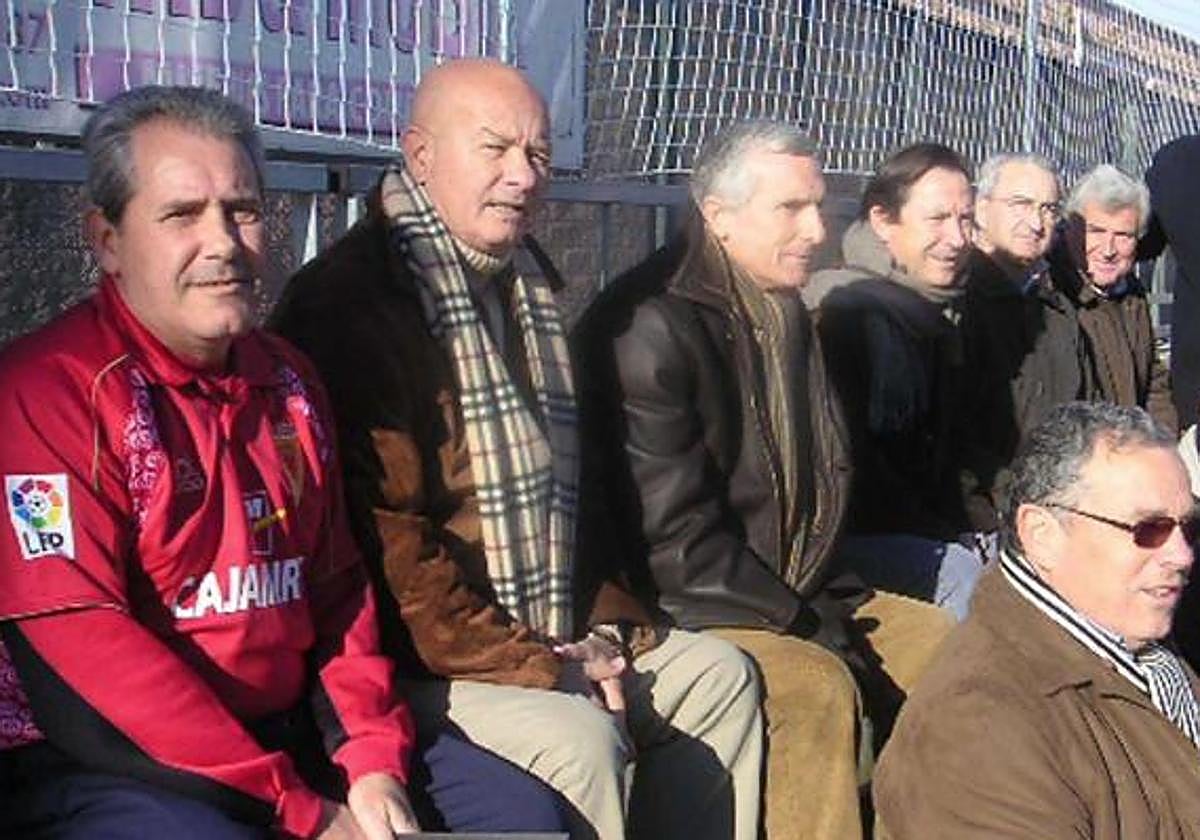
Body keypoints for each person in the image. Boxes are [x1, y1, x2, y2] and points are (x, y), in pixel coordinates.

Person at [0, 85, 567, 840]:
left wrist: (370, 763)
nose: (224, 243)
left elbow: (337, 594)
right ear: (106, 240)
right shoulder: (46, 391)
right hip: (110, 765)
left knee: (519, 815)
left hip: (290, 730)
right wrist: (300, 809)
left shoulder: (289, 380)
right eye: (180, 215)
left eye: (242, 210)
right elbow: (85, 665)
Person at [270, 59, 763, 840]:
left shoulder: (524, 286)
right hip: (426, 665)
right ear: (420, 154)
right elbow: (386, 552)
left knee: (721, 680)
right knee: (578, 738)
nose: (522, 176)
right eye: (495, 148)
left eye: (537, 155)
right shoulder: (351, 305)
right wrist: (542, 666)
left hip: (544, 627)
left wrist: (604, 634)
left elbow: (576, 511)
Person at [574, 121, 953, 840]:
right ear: (718, 214)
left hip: (793, 585)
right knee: (811, 688)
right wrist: (805, 623)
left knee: (943, 644)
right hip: (684, 608)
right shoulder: (647, 326)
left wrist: (820, 604)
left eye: (820, 206)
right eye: (791, 208)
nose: (817, 228)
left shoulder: (782, 307)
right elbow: (674, 549)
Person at [875, 401, 1200, 837]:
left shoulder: (1135, 645)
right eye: (1149, 529)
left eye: (1189, 529)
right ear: (1042, 535)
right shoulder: (976, 731)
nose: (1181, 555)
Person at [803, 143, 984, 619]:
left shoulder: (935, 314)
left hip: (918, 524)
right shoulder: (849, 315)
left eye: (966, 219)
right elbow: (864, 473)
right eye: (938, 219)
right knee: (963, 575)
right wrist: (946, 535)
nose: (958, 238)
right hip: (850, 541)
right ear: (883, 221)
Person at [959, 153, 1086, 530]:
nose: (1035, 223)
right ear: (981, 208)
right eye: (1021, 204)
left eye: (1048, 209)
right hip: (982, 522)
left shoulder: (1059, 310)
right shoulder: (957, 302)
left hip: (1052, 511)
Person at [1050, 164, 1176, 432]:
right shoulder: (1052, 295)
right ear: (1070, 227)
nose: (1108, 250)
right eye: (1095, 231)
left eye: (1123, 236)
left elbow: (1154, 381)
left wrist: (1161, 443)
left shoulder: (1131, 293)